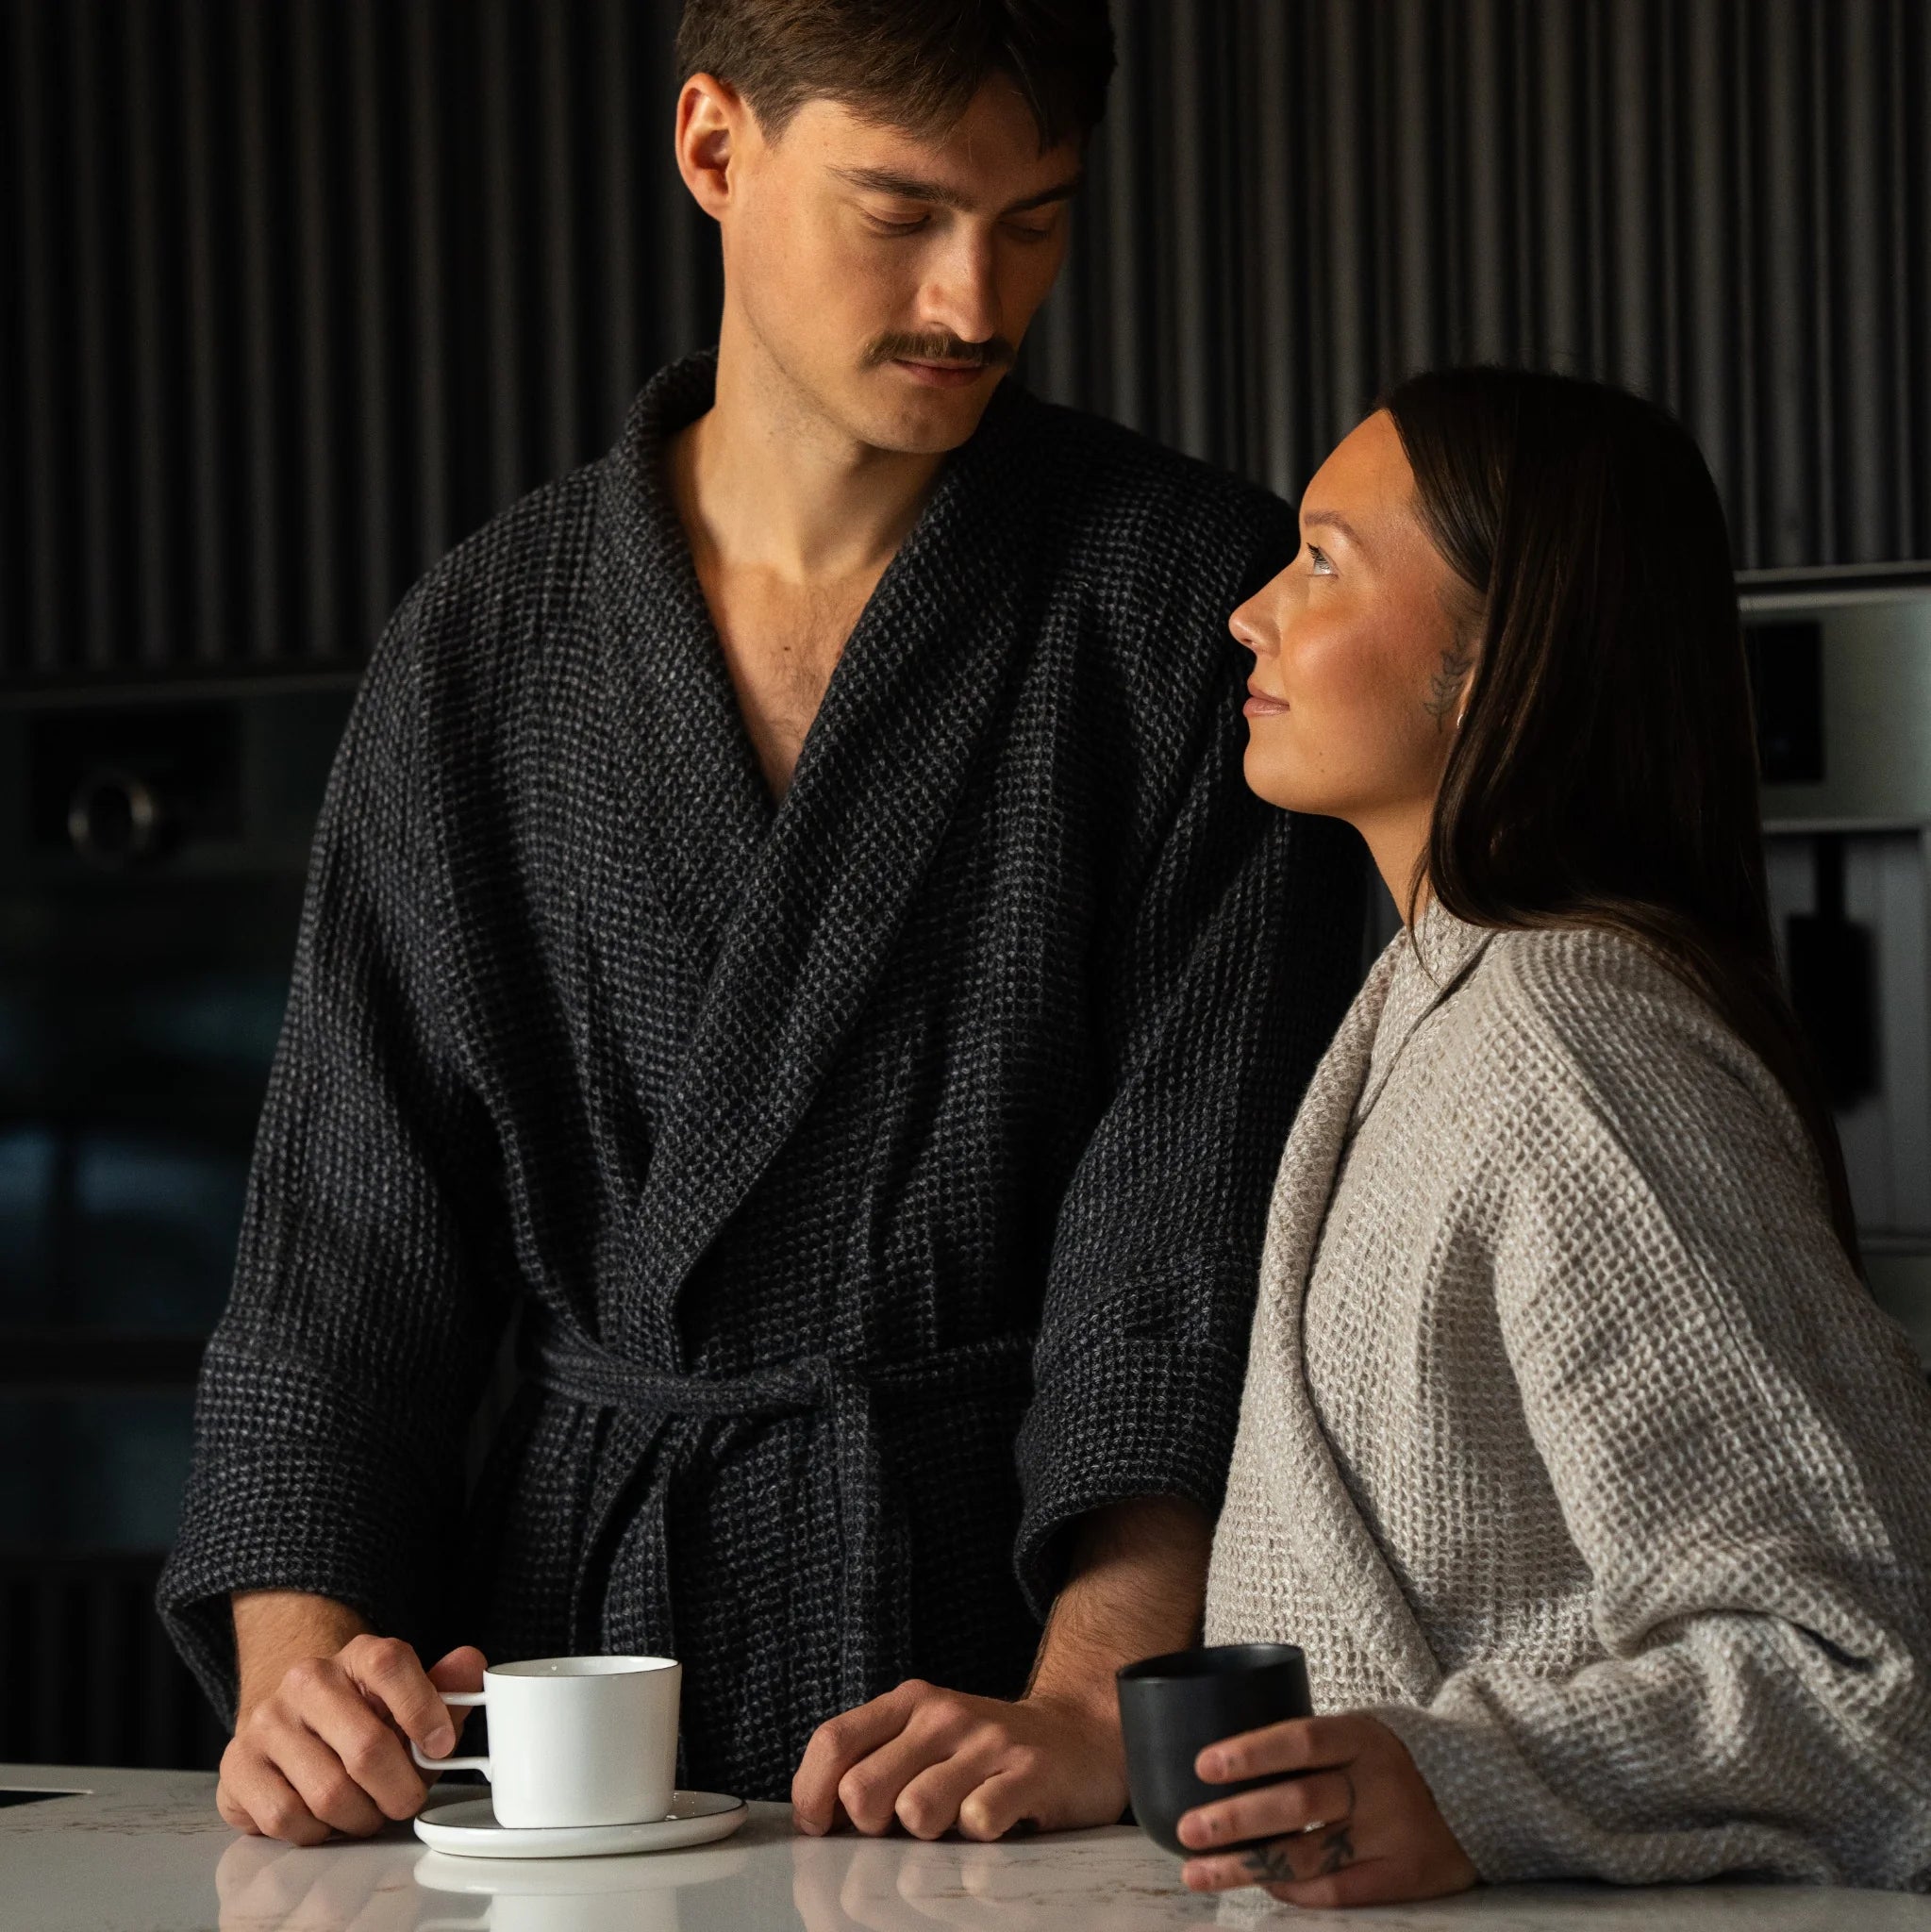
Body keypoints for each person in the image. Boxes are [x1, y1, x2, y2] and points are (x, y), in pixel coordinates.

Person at [159, 0, 1366, 1847]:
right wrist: (298, 1680)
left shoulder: (1184, 604)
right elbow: (344, 1254)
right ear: (714, 147)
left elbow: (1182, 1240)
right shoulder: (484, 641)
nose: (976, 299)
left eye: (1033, 216)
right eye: (902, 211)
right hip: (581, 1704)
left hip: (998, 1679)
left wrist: (1084, 1704)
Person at [1180, 368, 1931, 1907]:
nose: (1252, 613)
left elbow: (1875, 1676)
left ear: (1491, 653)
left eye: (1323, 559)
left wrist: (1479, 1783)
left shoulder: (1580, 1050)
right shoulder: (1428, 1000)